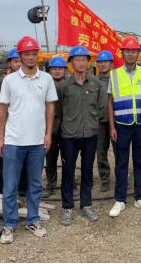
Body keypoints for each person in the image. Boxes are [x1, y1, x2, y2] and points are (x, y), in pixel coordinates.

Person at [0, 36, 57, 244]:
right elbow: (2, 110)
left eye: (34, 54)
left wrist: (48, 134)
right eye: (27, 54)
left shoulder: (46, 79)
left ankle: (33, 219)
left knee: (35, 184)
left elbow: (50, 107)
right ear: (20, 56)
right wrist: (1, 138)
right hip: (14, 141)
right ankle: (9, 224)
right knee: (10, 185)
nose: (31, 57)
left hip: (37, 142)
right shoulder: (9, 81)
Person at [108, 36, 141, 217]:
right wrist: (112, 127)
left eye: (133, 51)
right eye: (127, 51)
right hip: (121, 125)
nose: (130, 54)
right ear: (122, 53)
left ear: (138, 53)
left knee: (140, 161)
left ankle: (140, 197)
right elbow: (109, 101)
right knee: (121, 162)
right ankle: (120, 199)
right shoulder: (114, 74)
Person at [57, 46, 102, 225]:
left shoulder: (96, 84)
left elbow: (100, 108)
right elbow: (59, 110)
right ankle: (67, 207)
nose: (81, 63)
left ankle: (86, 204)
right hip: (69, 134)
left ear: (88, 62)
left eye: (84, 59)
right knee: (68, 171)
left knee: (87, 170)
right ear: (71, 63)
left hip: (90, 133)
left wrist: (92, 122)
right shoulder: (64, 86)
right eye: (77, 60)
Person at [0, 49, 27, 196]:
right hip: (9, 126)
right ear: (9, 63)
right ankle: (2, 189)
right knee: (6, 159)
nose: (19, 64)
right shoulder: (1, 83)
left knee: (26, 159)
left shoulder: (30, 80)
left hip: (26, 127)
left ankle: (23, 188)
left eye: (20, 61)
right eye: (15, 61)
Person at [42, 56, 76, 198]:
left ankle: (71, 185)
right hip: (51, 129)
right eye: (54, 68)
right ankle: (51, 185)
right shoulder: (44, 85)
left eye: (60, 68)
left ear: (65, 70)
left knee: (69, 159)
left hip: (68, 128)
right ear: (50, 70)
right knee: (51, 159)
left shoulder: (71, 85)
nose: (57, 71)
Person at [96, 50, 115, 192]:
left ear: (111, 63)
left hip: (116, 121)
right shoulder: (93, 81)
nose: (103, 64)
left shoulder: (117, 79)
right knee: (101, 151)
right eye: (100, 62)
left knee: (120, 151)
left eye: (106, 61)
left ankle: (122, 177)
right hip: (99, 122)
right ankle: (104, 179)